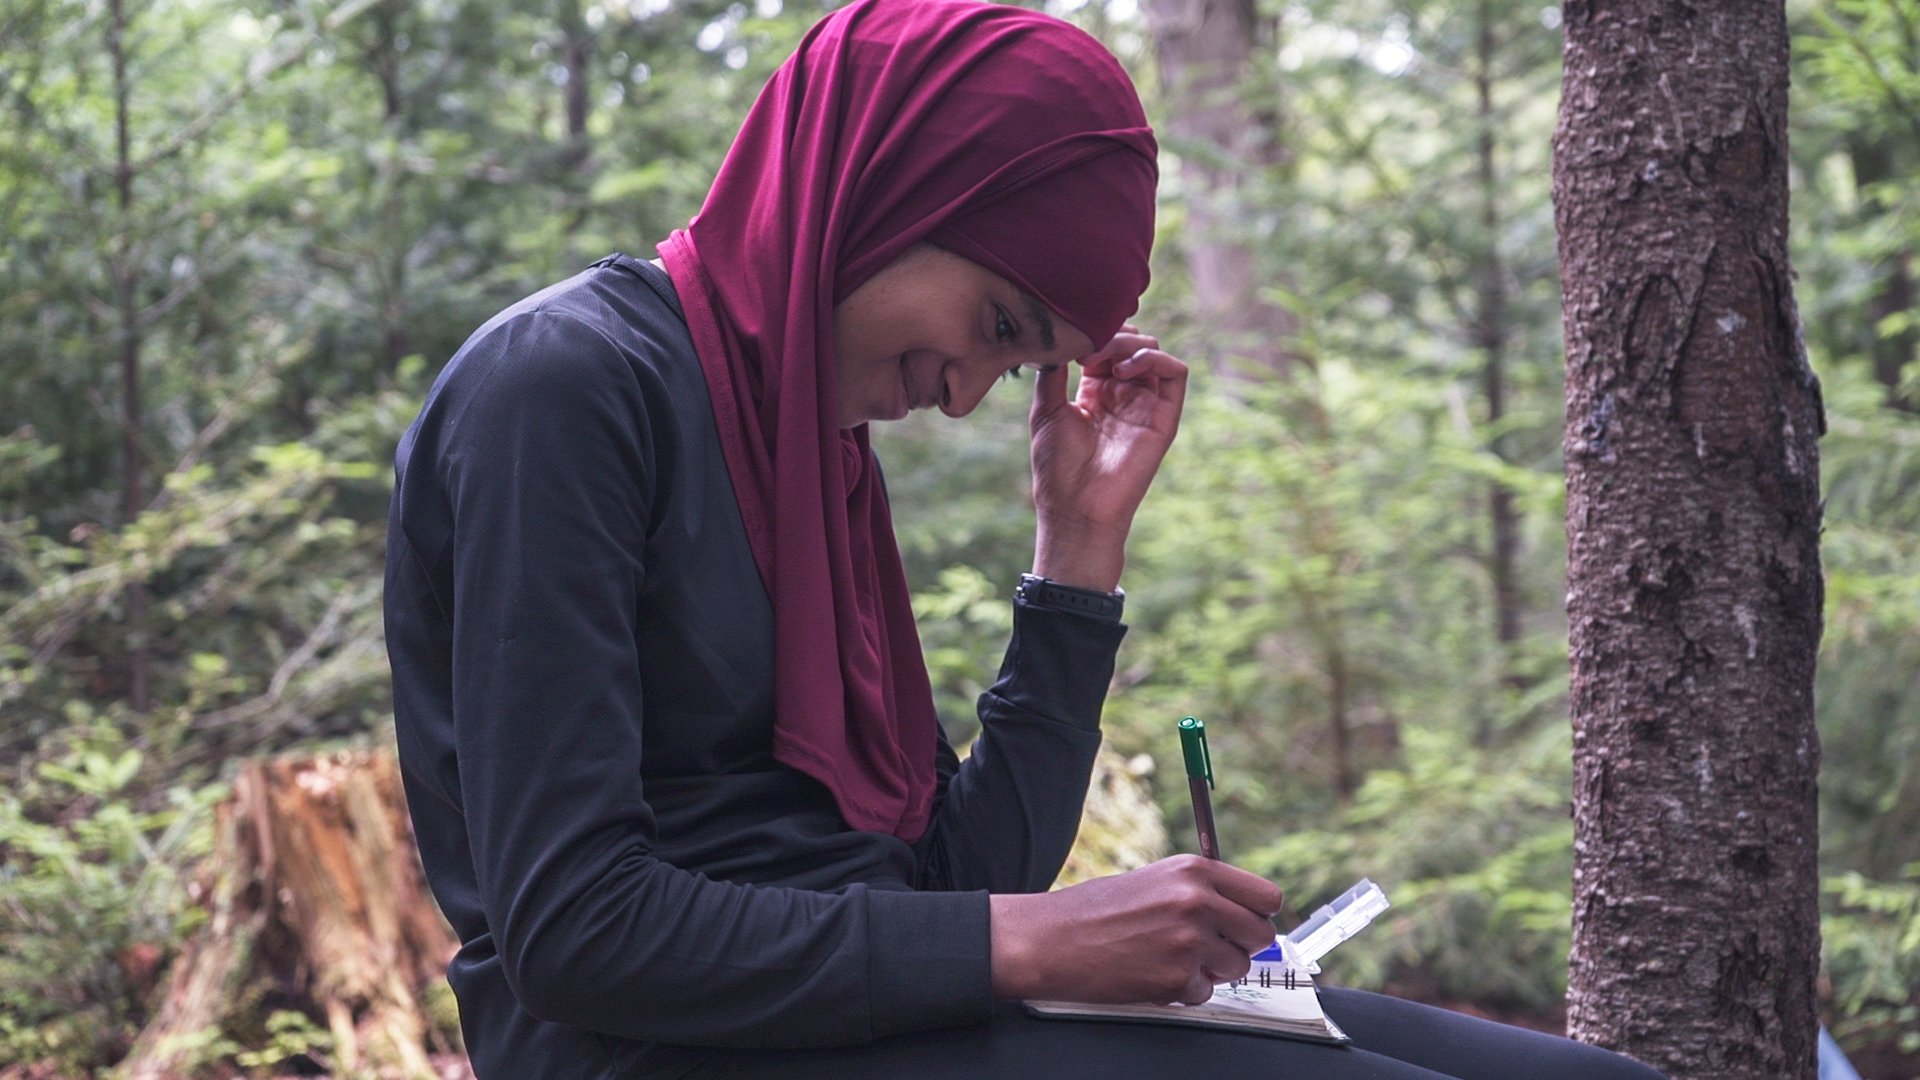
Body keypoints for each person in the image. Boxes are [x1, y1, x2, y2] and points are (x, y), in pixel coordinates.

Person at [383, 1, 1666, 1076]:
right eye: (999, 327)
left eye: (1012, 370)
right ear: (885, 190)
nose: (957, 396)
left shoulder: (809, 452)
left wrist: (1077, 559)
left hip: (871, 1014)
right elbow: (576, 929)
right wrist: (1032, 945)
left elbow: (950, 873)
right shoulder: (565, 387)